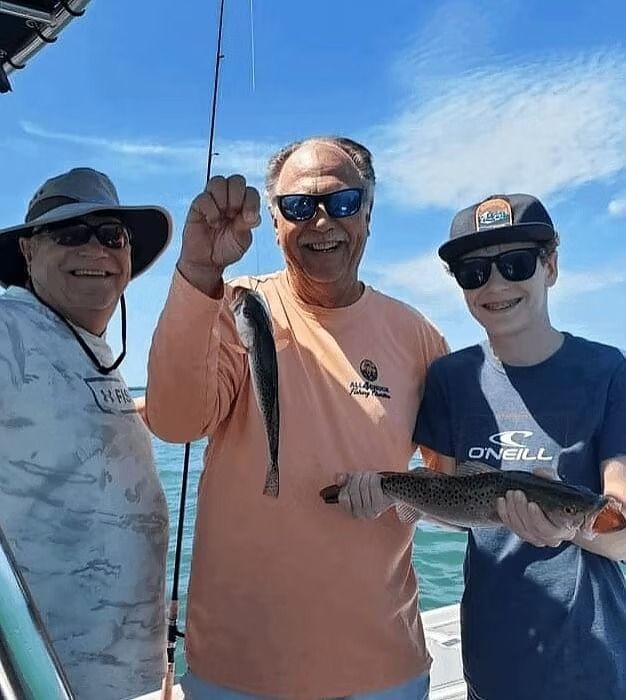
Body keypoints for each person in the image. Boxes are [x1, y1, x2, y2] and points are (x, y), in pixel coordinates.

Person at [144, 136, 448, 700]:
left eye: (343, 202)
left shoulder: (418, 337)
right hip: (238, 671)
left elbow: (452, 487)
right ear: (277, 223)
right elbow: (176, 422)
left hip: (383, 666)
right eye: (299, 207)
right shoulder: (236, 305)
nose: (322, 222)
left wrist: (395, 489)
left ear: (369, 213)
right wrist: (195, 271)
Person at [339, 194, 626, 700]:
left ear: (551, 266)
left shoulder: (608, 371)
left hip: (591, 659)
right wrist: (385, 493)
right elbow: (447, 502)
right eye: (473, 272)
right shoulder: (451, 378)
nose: (495, 284)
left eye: (515, 264)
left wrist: (563, 530)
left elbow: (621, 531)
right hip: (492, 655)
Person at [0, 167, 173, 699]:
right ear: (29, 251)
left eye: (110, 236)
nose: (94, 250)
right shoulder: (10, 326)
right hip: (41, 680)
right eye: (70, 234)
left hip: (127, 677)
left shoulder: (87, 348)